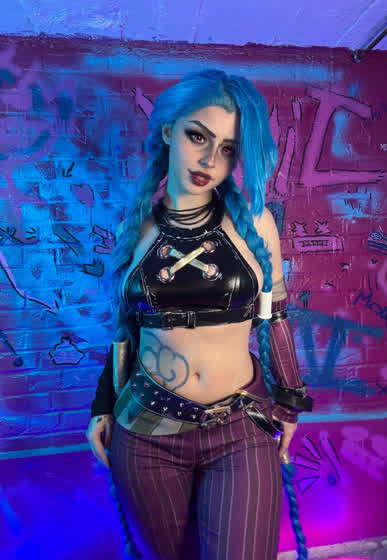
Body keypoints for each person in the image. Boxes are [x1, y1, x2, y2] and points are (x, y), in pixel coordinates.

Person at [86, 70, 313, 560]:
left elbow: (275, 317)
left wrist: (290, 402)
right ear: (169, 130)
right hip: (146, 430)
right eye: (198, 136)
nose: (210, 160)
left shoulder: (256, 224)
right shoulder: (134, 227)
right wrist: (102, 404)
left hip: (243, 425)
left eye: (227, 148)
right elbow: (124, 327)